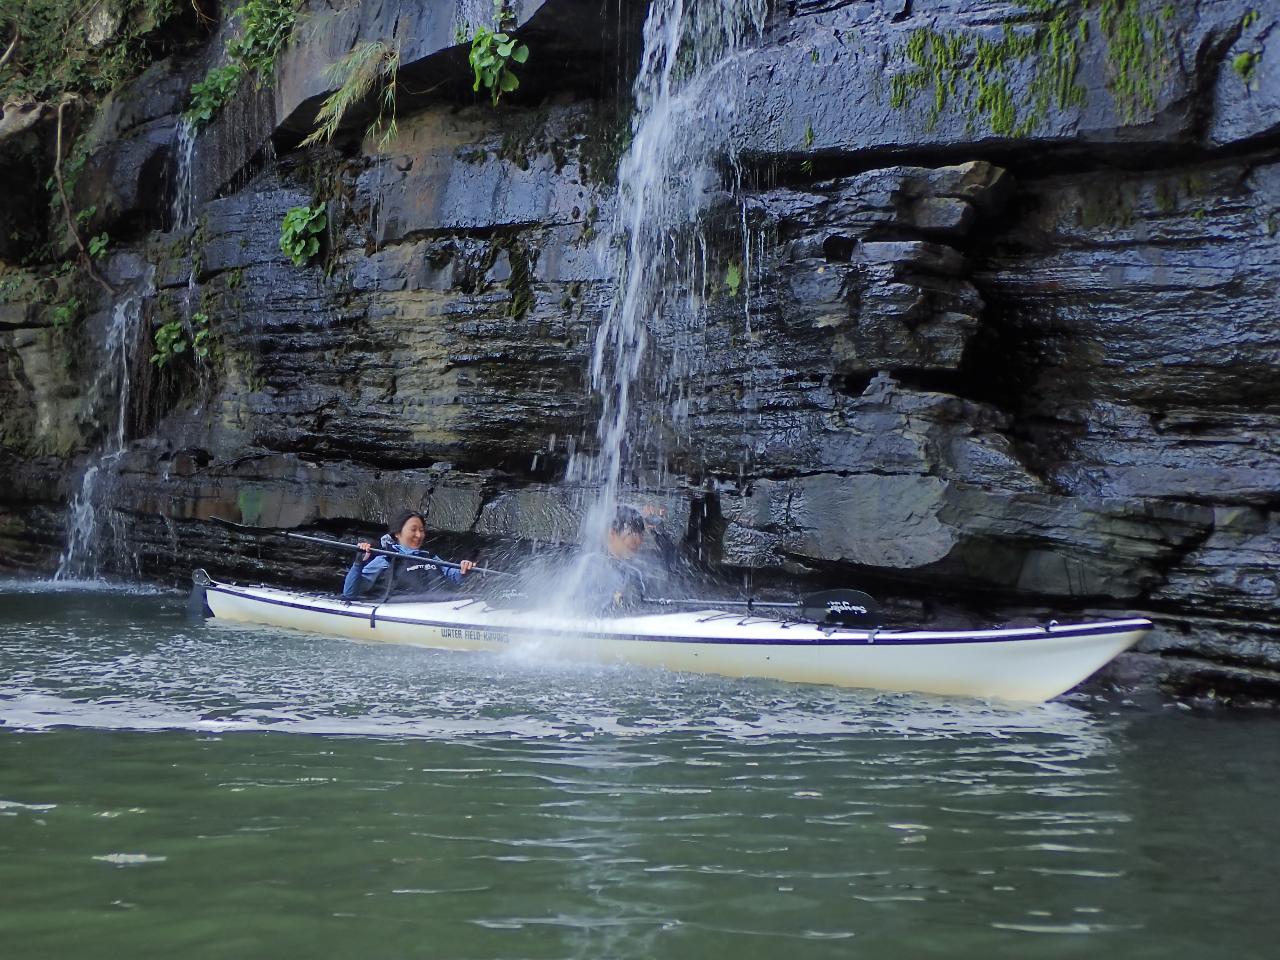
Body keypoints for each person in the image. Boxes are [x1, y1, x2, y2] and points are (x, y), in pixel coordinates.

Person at [343, 509, 476, 600]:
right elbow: (350, 593)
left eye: (421, 530)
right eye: (413, 530)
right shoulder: (385, 560)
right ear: (397, 533)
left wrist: (464, 569)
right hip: (406, 611)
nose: (419, 535)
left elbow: (456, 577)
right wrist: (358, 562)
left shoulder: (430, 558)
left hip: (440, 607)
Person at [575, 506, 658, 613]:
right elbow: (579, 605)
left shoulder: (635, 573)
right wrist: (614, 600)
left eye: (641, 534)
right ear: (613, 534)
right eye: (632, 534)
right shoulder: (590, 565)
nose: (639, 540)